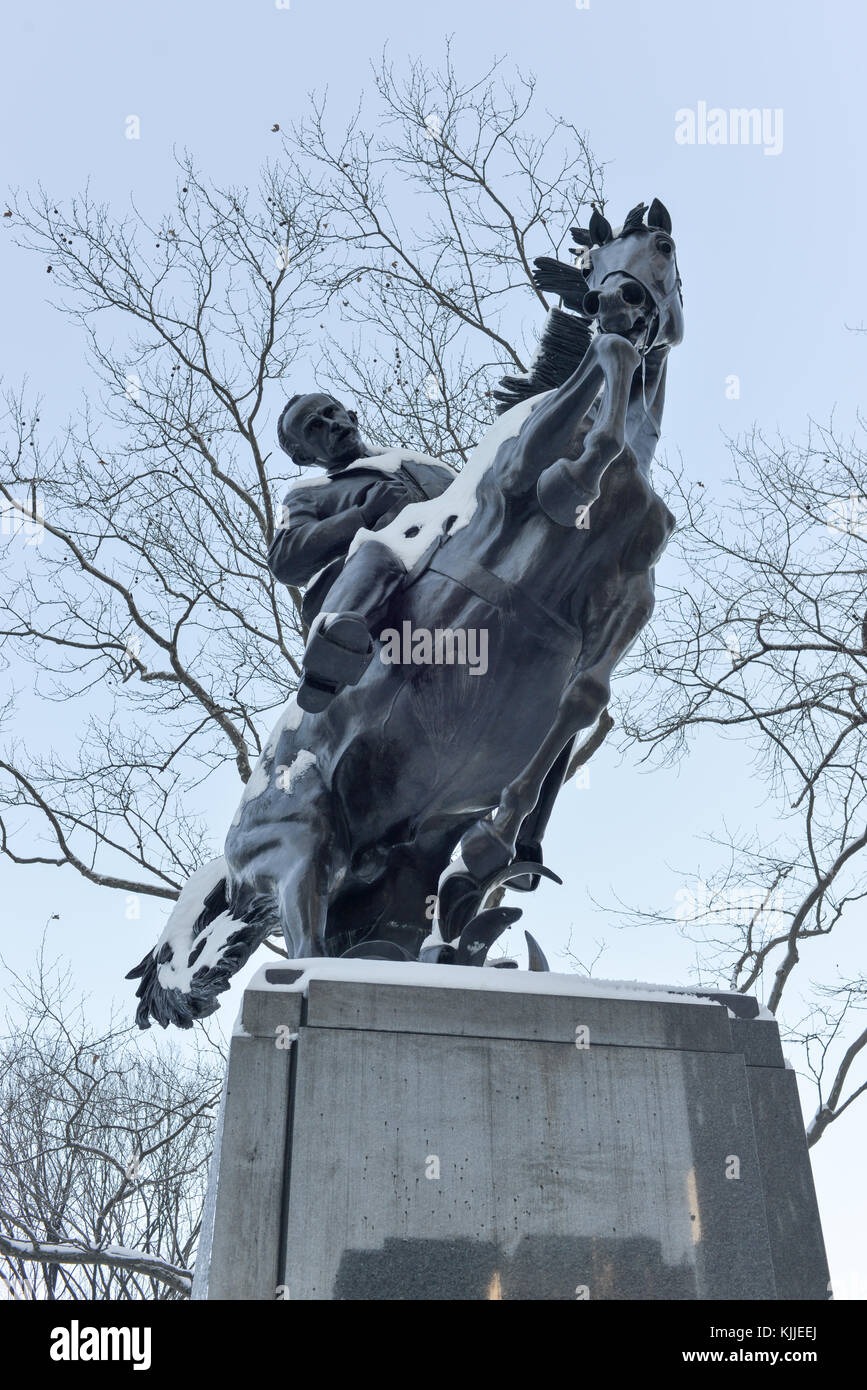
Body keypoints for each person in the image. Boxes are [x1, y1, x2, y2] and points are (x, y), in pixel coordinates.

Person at [269, 392, 455, 710]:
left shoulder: (429, 468)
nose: (331, 423)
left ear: (351, 416)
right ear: (302, 457)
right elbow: (284, 558)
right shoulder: (304, 497)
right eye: (315, 426)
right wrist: (362, 516)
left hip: (453, 567)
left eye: (333, 412)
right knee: (376, 551)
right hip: (378, 604)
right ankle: (328, 663)